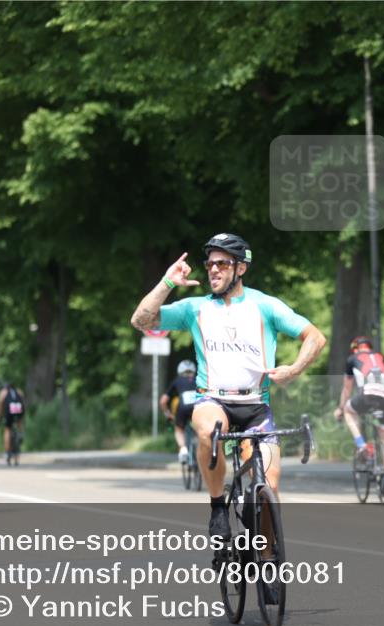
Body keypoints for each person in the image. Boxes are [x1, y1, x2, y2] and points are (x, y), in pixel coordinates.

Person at [130, 233, 326, 546]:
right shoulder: (196, 308)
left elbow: (315, 337)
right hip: (213, 399)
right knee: (209, 430)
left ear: (241, 268)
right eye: (209, 264)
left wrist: (294, 369)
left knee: (269, 486)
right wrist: (167, 282)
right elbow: (141, 320)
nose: (213, 270)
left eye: (222, 263)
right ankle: (218, 505)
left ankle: (265, 559)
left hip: (256, 406)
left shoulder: (266, 305)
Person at [333, 336, 384, 490]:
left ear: (355, 348)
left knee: (349, 411)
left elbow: (347, 389)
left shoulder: (352, 358)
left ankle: (361, 445)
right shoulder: (381, 356)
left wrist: (340, 408)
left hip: (368, 393)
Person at [161, 360, 199, 464]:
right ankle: (201, 447)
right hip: (197, 408)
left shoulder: (177, 381)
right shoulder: (199, 379)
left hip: (183, 408)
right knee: (199, 428)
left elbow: (163, 401)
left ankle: (183, 450)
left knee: (179, 430)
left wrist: (168, 414)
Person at [0, 382, 25, 464]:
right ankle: (20, 434)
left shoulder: (4, 392)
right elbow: (23, 402)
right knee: (19, 422)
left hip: (9, 410)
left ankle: (8, 452)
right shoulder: (19, 391)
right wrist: (22, 416)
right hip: (19, 409)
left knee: (7, 429)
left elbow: (1, 404)